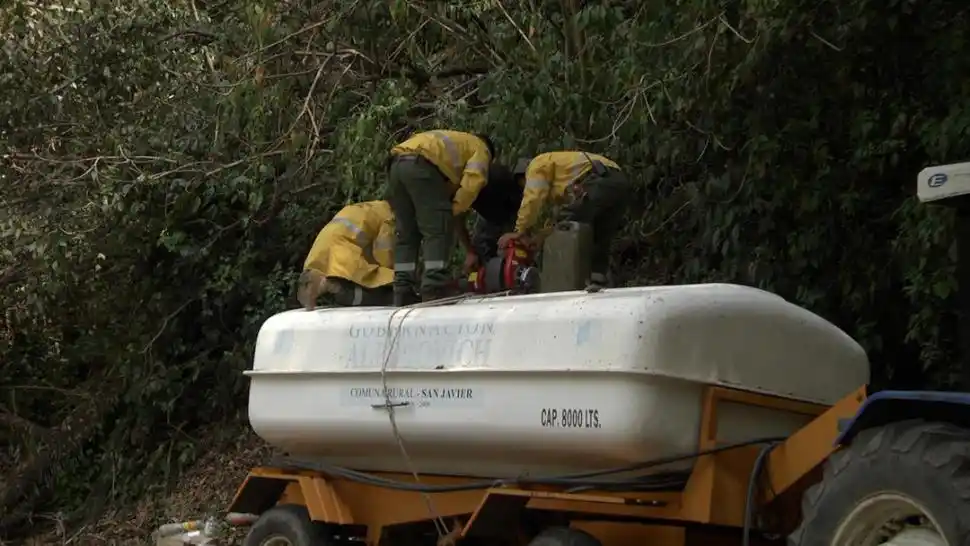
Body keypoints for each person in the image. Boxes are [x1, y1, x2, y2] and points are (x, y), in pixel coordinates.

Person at [385, 130, 497, 305]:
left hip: (396, 165)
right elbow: (472, 182)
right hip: (421, 166)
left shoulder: (455, 141)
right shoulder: (481, 148)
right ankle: (434, 286)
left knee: (407, 233)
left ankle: (402, 290)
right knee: (438, 230)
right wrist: (453, 209)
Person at [498, 151, 631, 289]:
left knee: (567, 226)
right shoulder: (560, 178)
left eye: (524, 185)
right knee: (599, 232)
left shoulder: (536, 166)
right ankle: (598, 279)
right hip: (617, 180)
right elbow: (562, 216)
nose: (526, 188)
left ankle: (557, 283)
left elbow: (533, 199)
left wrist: (519, 231)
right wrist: (541, 236)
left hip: (599, 178)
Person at [297, 200, 395, 310]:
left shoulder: (368, 208)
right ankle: (333, 287)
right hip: (344, 253)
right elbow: (385, 254)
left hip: (321, 251)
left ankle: (312, 295)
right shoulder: (389, 218)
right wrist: (392, 276)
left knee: (320, 274)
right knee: (371, 280)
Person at [467, 162, 521, 265]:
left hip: (512, 209)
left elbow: (524, 206)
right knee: (480, 248)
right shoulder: (460, 190)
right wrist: (471, 252)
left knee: (513, 248)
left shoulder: (499, 177)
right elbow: (457, 220)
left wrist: (518, 233)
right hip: (489, 216)